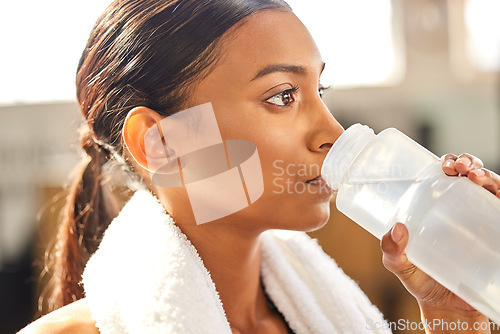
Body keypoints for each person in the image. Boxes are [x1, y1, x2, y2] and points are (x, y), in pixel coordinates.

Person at [20, 0, 500, 333]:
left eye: (319, 92)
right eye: (282, 96)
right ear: (160, 141)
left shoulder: (332, 316)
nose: (332, 133)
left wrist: (452, 319)